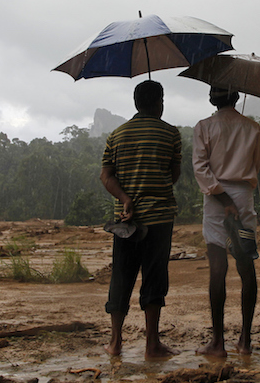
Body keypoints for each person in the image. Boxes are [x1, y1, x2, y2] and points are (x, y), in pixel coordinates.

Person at [100, 80, 182, 358]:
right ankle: (152, 345)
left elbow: (106, 176)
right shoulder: (171, 134)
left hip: (125, 222)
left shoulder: (116, 135)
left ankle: (115, 343)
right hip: (159, 219)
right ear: (160, 102)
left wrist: (125, 198)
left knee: (121, 278)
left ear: (136, 104)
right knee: (155, 279)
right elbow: (173, 175)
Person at [192, 86, 260, 357]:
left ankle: (217, 343)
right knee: (246, 264)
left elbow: (201, 168)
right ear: (235, 98)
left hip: (215, 199)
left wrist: (222, 198)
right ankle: (245, 340)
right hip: (243, 198)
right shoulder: (252, 128)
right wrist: (235, 198)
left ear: (212, 99)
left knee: (217, 267)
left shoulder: (204, 126)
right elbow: (255, 166)